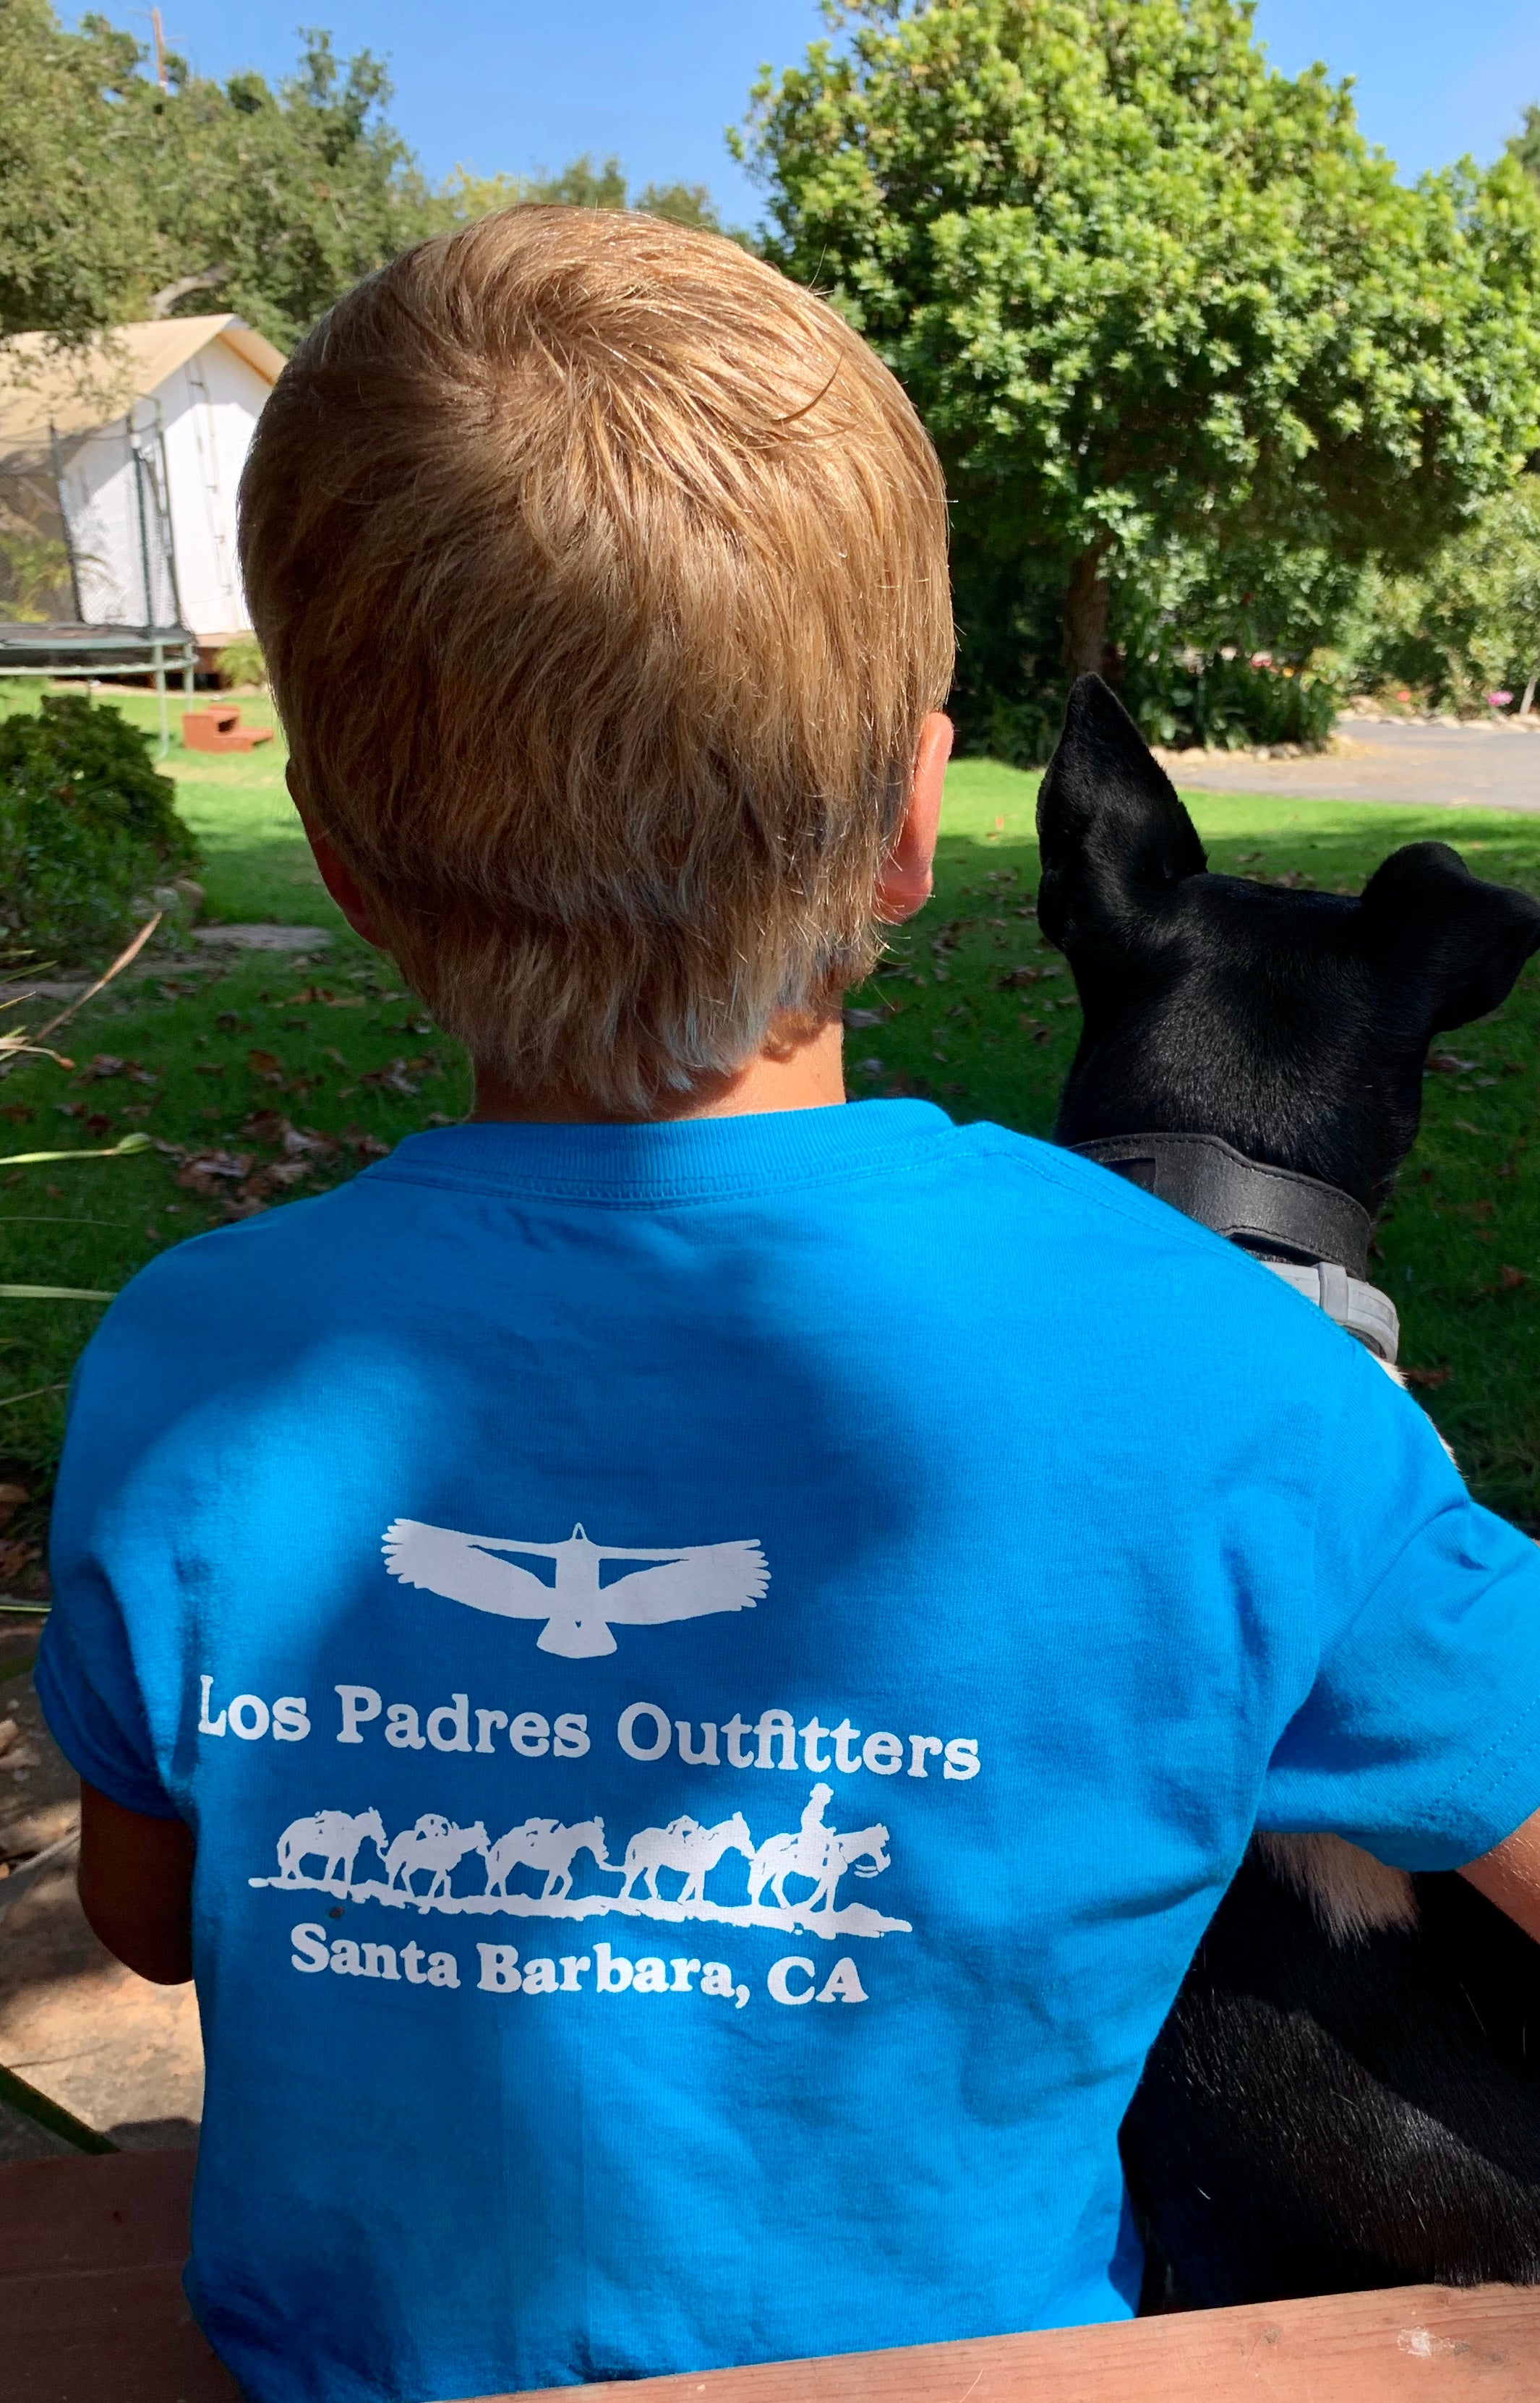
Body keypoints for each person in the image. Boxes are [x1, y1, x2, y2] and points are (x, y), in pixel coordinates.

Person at [35, 207, 1540, 2403]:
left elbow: (159, 1918)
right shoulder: (1237, 1382)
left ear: (345, 865)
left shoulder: (202, 1363)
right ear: (916, 827)